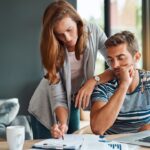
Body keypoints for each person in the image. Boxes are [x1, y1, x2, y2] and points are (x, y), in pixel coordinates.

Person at [28, 0, 113, 139]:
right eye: (59, 34)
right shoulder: (51, 49)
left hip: (72, 102)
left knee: (73, 143)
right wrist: (62, 124)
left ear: (77, 22)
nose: (66, 38)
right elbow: (58, 96)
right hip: (46, 107)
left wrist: (93, 81)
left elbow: (115, 64)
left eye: (69, 30)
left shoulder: (93, 31)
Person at [91, 31, 150, 135]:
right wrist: (124, 85)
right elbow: (97, 128)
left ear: (136, 57)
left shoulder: (148, 81)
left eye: (120, 58)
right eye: (111, 60)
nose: (115, 65)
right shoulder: (103, 87)